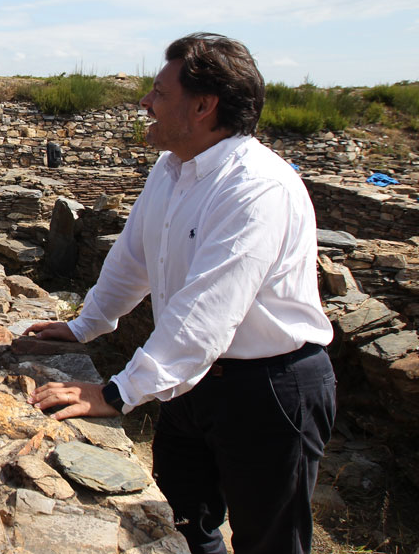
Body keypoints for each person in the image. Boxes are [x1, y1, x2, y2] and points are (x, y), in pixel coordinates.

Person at [24, 33, 336, 554]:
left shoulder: (257, 187)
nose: (145, 103)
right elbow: (135, 257)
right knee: (183, 518)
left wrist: (117, 392)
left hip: (269, 389)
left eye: (158, 92)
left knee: (270, 541)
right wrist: (87, 324)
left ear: (203, 105)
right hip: (192, 381)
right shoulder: (171, 170)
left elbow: (208, 310)